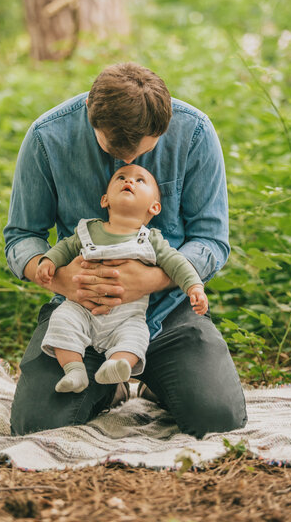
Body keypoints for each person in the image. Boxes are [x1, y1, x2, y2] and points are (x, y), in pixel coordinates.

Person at [4, 62, 247, 438]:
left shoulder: (194, 132)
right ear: (91, 112)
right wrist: (62, 278)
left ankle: (156, 380)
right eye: (117, 150)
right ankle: (111, 386)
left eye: (143, 150)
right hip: (81, 313)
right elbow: (22, 236)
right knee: (35, 425)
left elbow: (211, 239)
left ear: (164, 126)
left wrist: (151, 279)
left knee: (217, 418)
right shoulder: (46, 138)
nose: (131, 162)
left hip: (168, 313)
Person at [36, 164, 208, 394]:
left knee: (136, 335)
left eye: (140, 181)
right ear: (105, 200)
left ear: (154, 207)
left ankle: (117, 365)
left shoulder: (150, 239)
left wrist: (194, 286)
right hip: (82, 307)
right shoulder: (88, 231)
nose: (129, 182)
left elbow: (177, 263)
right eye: (122, 178)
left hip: (127, 315)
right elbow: (64, 248)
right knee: (62, 320)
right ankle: (74, 370)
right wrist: (48, 262)